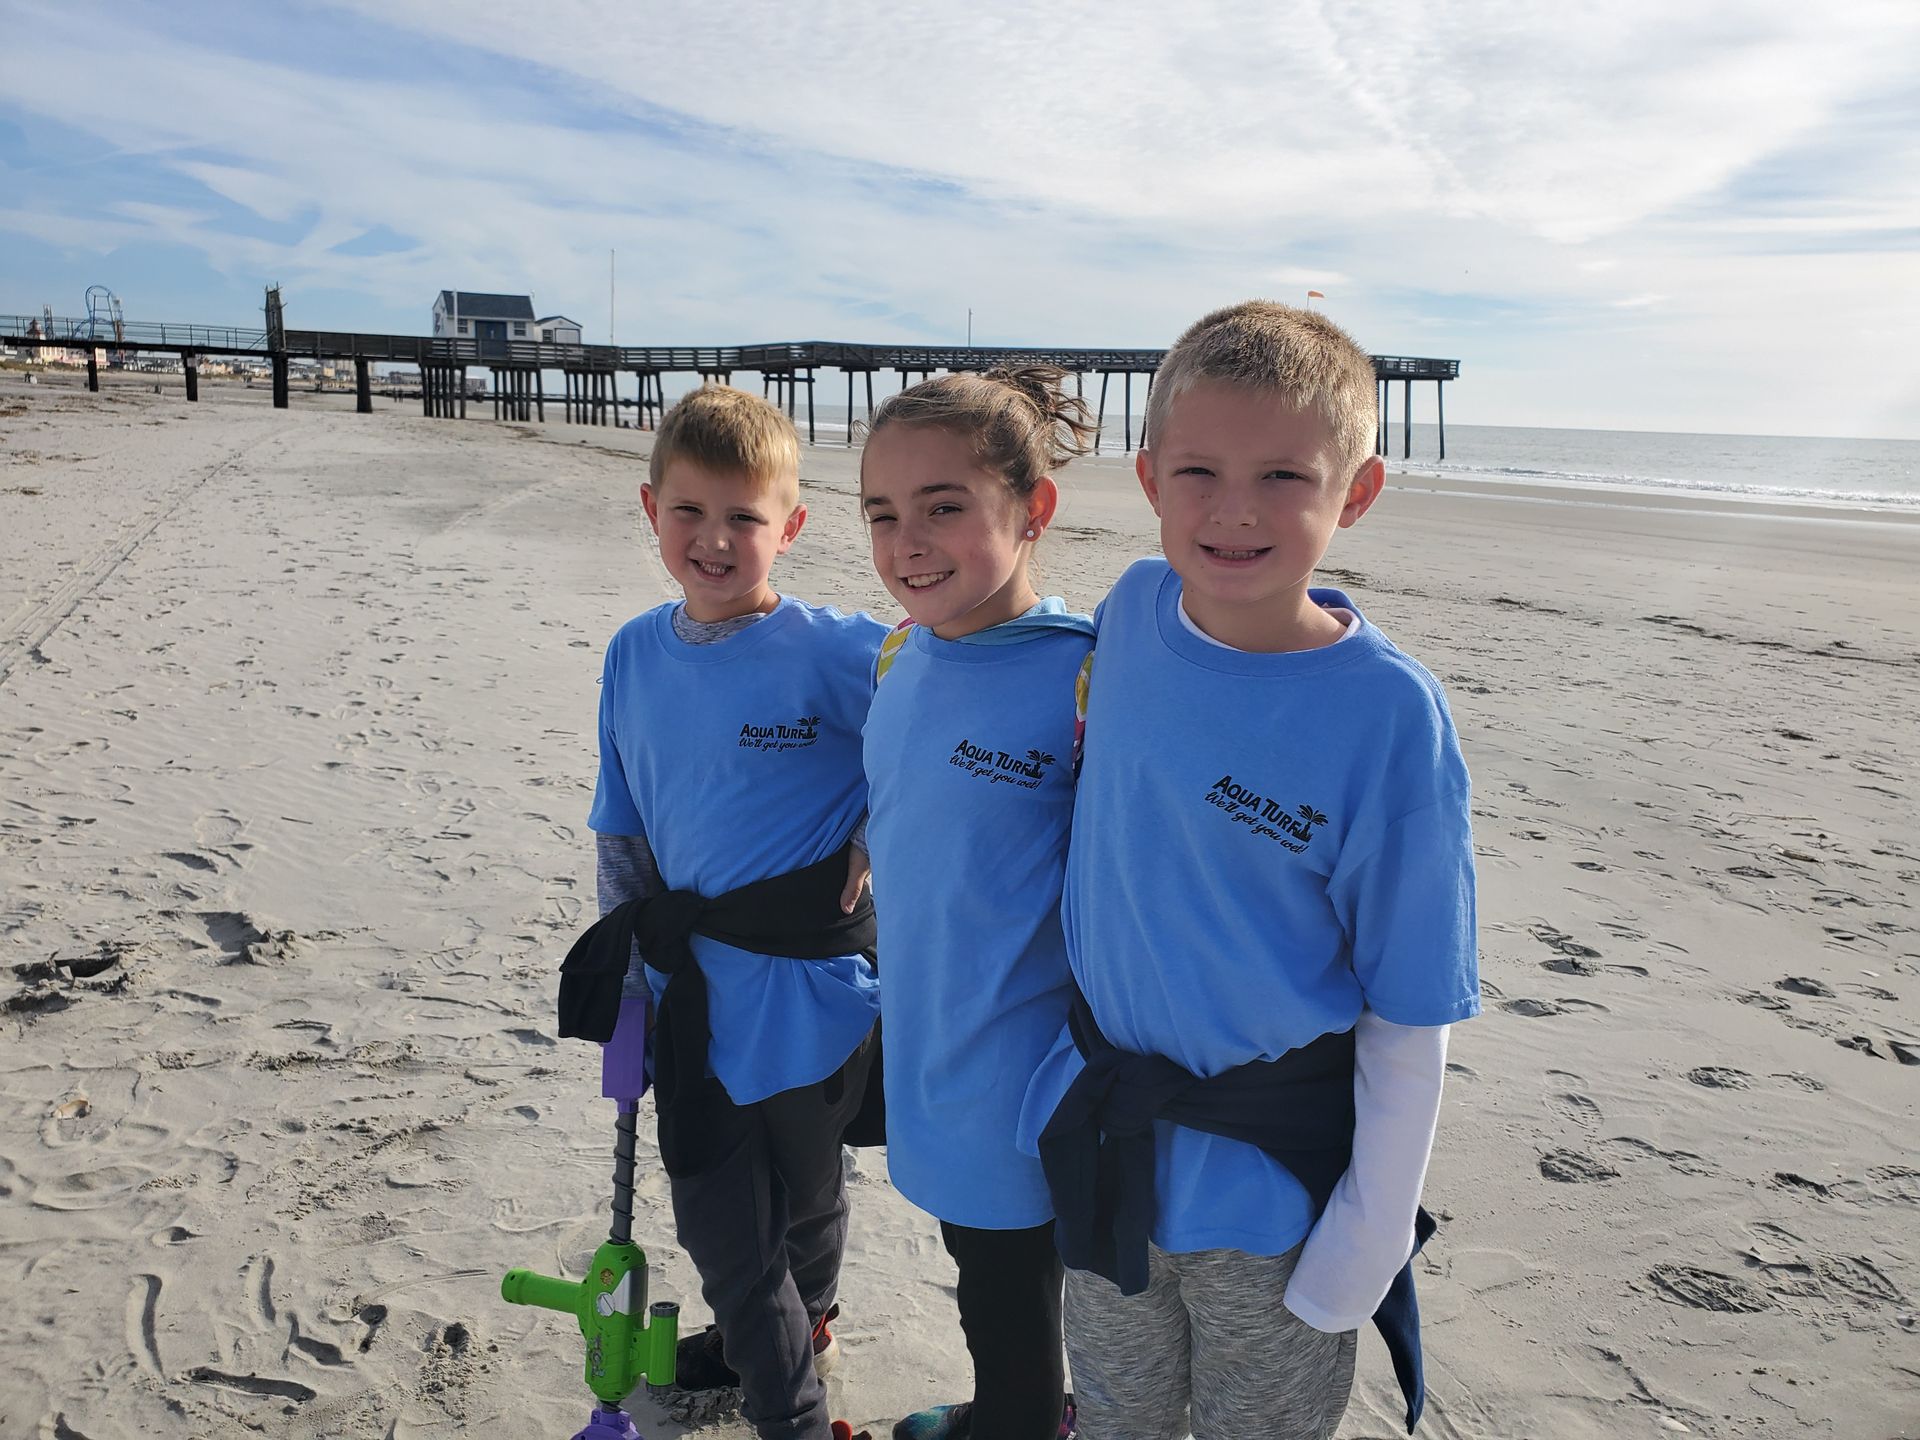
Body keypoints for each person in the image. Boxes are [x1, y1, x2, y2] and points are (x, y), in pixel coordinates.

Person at [1024, 301, 1480, 1440]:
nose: (1234, 509)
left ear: (1356, 492)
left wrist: (1365, 1245)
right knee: (1119, 1416)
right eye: (1199, 472)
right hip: (1106, 1149)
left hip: (1273, 1199)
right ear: (1147, 479)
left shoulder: (1387, 716)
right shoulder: (1129, 613)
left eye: (1285, 475)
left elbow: (1411, 1009)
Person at [577, 383, 885, 1440]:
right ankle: (792, 1413)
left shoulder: (839, 650)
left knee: (807, 1206)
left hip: (817, 997)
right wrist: (629, 984)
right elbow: (622, 831)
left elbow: (945, 718)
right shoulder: (632, 654)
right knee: (727, 1234)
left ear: (789, 527)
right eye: (691, 513)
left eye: (745, 518)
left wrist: (876, 829)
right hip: (690, 994)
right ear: (650, 506)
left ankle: (808, 1325)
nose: (715, 541)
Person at [858, 368, 1095, 1440]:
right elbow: (901, 800)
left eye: (944, 507)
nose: (909, 540)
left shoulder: (1087, 677)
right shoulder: (902, 651)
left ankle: (1019, 1419)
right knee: (975, 1257)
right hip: (924, 1033)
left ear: (1032, 508)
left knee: (1010, 1272)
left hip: (1031, 1065)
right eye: (884, 514)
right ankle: (1019, 1405)